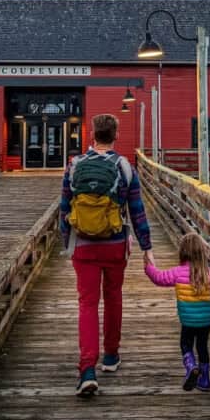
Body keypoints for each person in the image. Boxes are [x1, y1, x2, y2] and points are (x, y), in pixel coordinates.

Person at [61, 113, 154, 396]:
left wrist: (68, 244)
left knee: (87, 304)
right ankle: (111, 356)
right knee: (113, 297)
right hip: (115, 244)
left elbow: (65, 209)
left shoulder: (74, 165)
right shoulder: (125, 167)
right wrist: (147, 247)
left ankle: (87, 369)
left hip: (83, 246)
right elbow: (137, 211)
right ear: (116, 135)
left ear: (92, 136)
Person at [144, 232, 210, 391]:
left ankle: (190, 367)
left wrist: (148, 267)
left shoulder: (178, 272)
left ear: (182, 252)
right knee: (202, 347)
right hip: (206, 321)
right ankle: (205, 380)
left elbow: (159, 278)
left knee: (186, 344)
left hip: (188, 321)